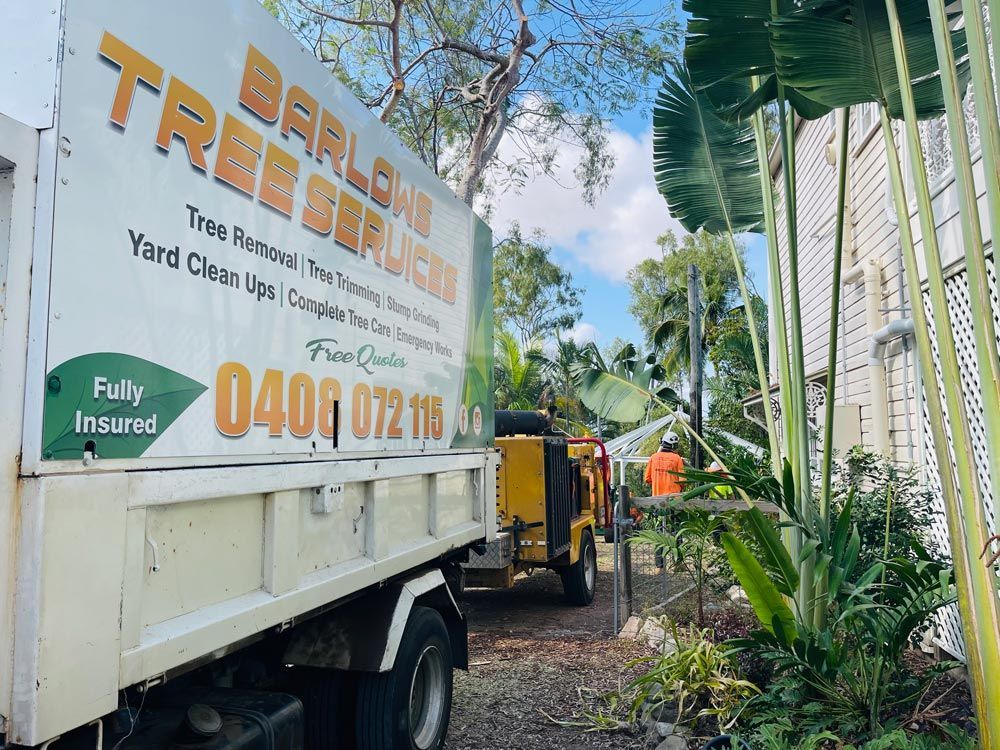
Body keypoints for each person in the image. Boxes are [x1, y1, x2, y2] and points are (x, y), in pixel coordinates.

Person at [644, 431, 686, 497]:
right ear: (674, 445)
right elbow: (682, 481)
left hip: (656, 498)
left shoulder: (653, 457)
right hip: (673, 499)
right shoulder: (677, 458)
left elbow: (647, 478)